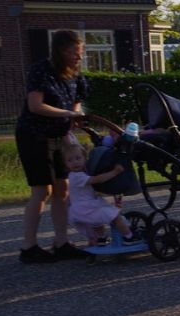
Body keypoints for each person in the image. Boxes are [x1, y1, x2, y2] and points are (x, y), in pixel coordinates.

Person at [14, 29, 92, 262]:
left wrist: (74, 118)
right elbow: (35, 106)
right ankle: (28, 247)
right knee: (42, 190)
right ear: (60, 50)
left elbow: (75, 104)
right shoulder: (41, 70)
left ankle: (61, 242)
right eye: (74, 52)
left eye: (80, 52)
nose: (79, 57)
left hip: (59, 135)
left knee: (62, 189)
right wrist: (67, 114)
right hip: (34, 135)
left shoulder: (75, 74)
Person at [63, 142, 135, 245]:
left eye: (78, 158)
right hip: (85, 209)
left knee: (97, 223)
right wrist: (115, 172)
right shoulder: (76, 177)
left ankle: (100, 239)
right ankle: (129, 237)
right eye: (70, 160)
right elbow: (97, 179)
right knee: (115, 216)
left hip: (84, 208)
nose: (75, 162)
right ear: (66, 164)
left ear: (85, 159)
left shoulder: (78, 174)